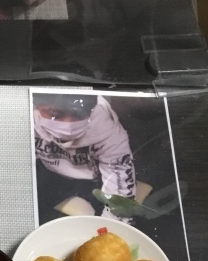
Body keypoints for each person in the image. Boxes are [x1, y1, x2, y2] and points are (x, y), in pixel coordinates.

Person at [33, 93, 136, 223]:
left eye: (78, 114)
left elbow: (119, 187)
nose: (68, 124)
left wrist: (112, 229)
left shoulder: (109, 132)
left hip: (94, 181)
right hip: (49, 171)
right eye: (55, 114)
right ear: (35, 106)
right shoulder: (21, 113)